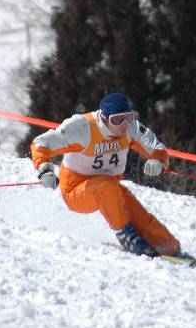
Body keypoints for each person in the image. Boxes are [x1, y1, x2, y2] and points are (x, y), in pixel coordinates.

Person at [30, 92, 181, 257]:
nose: (123, 125)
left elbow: (156, 147)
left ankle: (168, 246)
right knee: (106, 185)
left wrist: (158, 160)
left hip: (111, 190)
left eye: (128, 117)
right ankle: (127, 235)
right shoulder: (82, 128)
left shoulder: (130, 128)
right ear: (103, 118)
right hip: (76, 192)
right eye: (117, 120)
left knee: (140, 216)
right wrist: (45, 168)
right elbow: (41, 142)